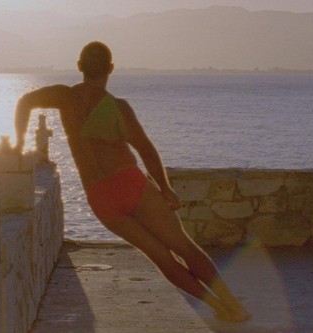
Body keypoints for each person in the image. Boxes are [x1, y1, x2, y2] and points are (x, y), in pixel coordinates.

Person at [13, 41, 251, 322]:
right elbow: (146, 150)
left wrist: (18, 144)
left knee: (161, 257)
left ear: (79, 67)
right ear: (111, 68)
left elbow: (24, 102)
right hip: (129, 184)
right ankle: (232, 305)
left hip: (100, 198)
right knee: (184, 247)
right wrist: (165, 188)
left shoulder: (64, 98)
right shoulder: (118, 108)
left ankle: (216, 306)